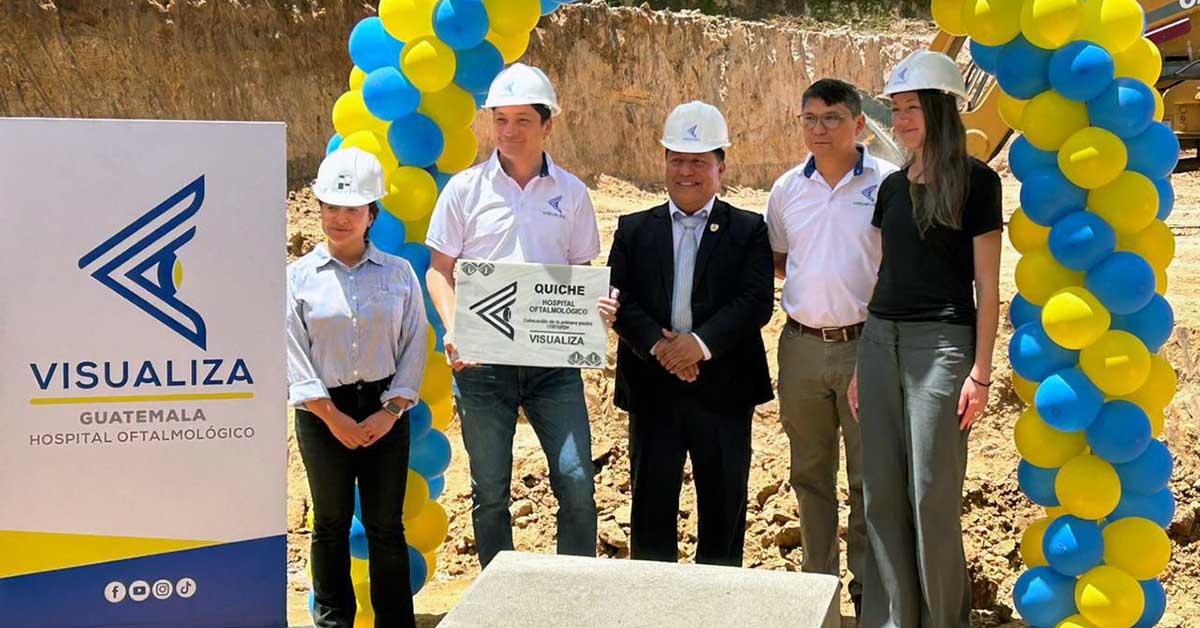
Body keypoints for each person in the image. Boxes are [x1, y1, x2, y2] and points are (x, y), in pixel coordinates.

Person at [424, 63, 619, 567]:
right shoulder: (464, 191)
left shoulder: (572, 193)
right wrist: (453, 328)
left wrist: (597, 306)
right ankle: (499, 601)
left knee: (576, 483)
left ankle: (570, 597)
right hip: (482, 367)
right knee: (491, 492)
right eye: (501, 120)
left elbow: (581, 272)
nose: (509, 132)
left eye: (522, 121)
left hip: (554, 369)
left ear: (547, 124)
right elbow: (439, 272)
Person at [849, 50, 1002, 628]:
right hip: (880, 343)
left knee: (931, 497)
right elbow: (883, 278)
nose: (902, 118)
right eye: (896, 108)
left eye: (912, 107)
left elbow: (987, 286)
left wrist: (980, 371)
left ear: (941, 110)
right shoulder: (890, 190)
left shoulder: (978, 182)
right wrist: (865, 361)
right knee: (882, 496)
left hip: (942, 346)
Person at [609, 101, 774, 566]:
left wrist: (696, 347)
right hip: (653, 390)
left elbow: (755, 301)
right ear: (663, 162)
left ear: (720, 167)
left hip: (723, 391)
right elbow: (620, 300)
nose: (687, 171)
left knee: (723, 513)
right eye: (678, 160)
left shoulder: (748, 230)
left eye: (699, 162)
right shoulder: (634, 229)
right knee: (651, 512)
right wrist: (663, 348)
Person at [766, 78, 898, 620]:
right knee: (810, 475)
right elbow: (780, 259)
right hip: (800, 348)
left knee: (870, 479)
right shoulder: (785, 190)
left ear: (859, 124)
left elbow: (896, 269)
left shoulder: (889, 185)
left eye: (832, 118)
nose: (819, 129)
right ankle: (818, 593)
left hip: (865, 348)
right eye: (810, 119)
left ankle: (869, 595)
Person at [287, 147, 428, 628]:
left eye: (352, 208)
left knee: (386, 527)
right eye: (331, 206)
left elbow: (414, 345)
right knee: (328, 527)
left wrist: (389, 412)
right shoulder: (298, 278)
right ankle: (332, 623)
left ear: (373, 214)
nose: (340, 217)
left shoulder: (399, 274)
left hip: (384, 410)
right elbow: (293, 353)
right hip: (321, 413)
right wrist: (332, 416)